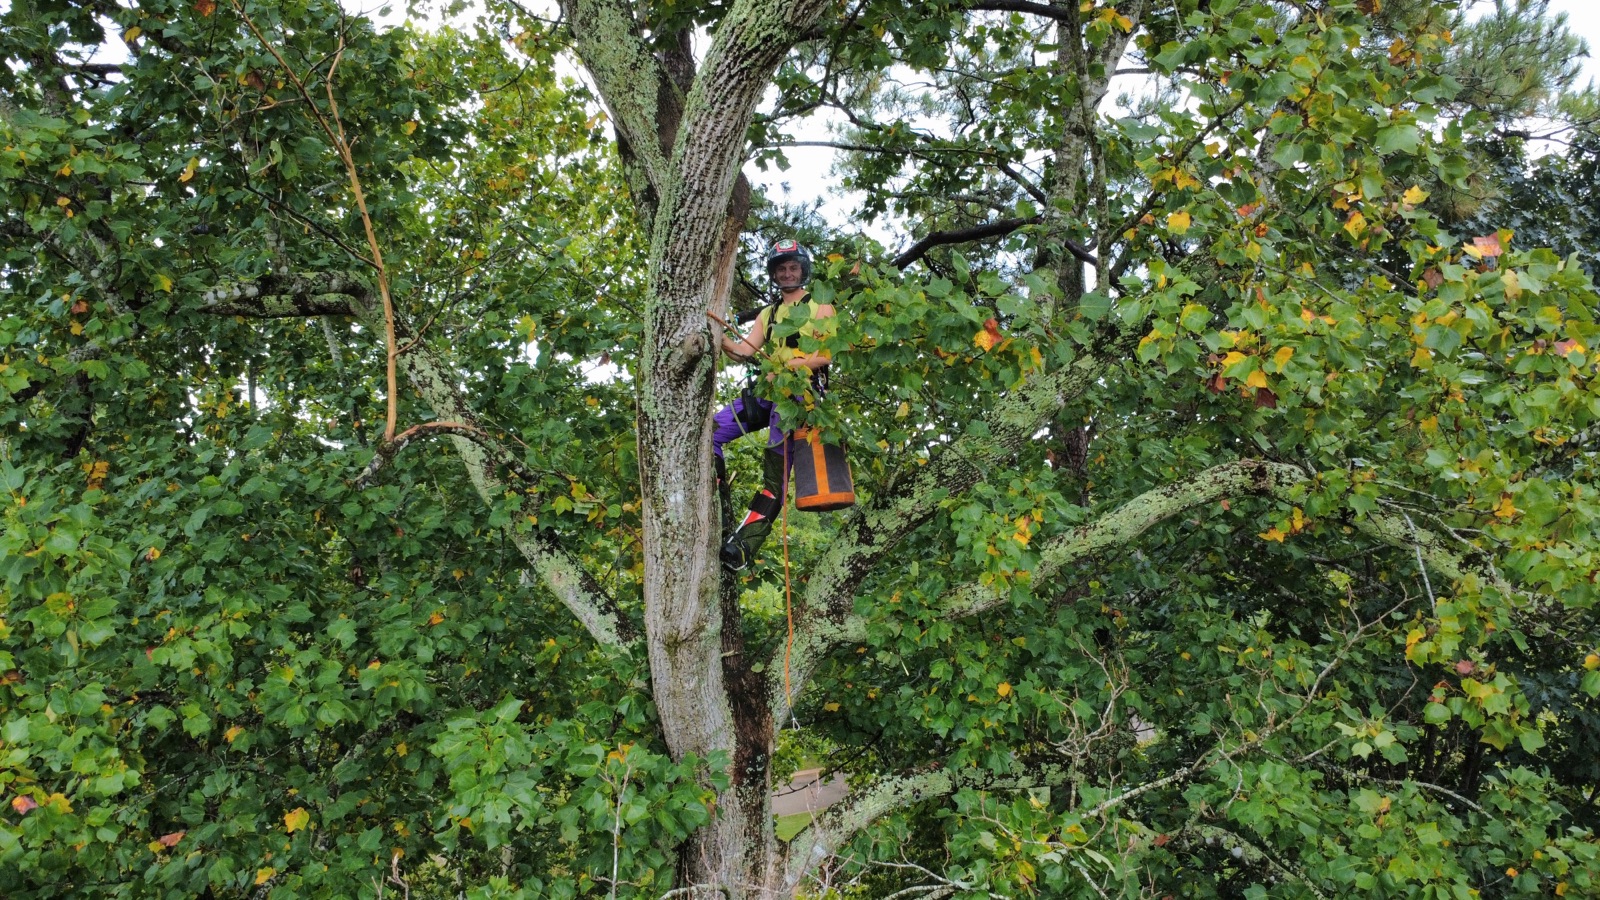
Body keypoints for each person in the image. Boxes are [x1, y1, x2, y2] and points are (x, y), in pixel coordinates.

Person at [713, 238, 836, 572]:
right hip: (767, 392)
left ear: (803, 269)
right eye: (781, 269)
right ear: (774, 274)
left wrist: (792, 366)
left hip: (799, 397)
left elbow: (828, 352)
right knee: (710, 432)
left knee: (774, 476)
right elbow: (745, 351)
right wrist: (717, 335)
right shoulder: (769, 314)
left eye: (793, 267)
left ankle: (742, 548)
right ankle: (716, 511)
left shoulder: (821, 306)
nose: (787, 273)